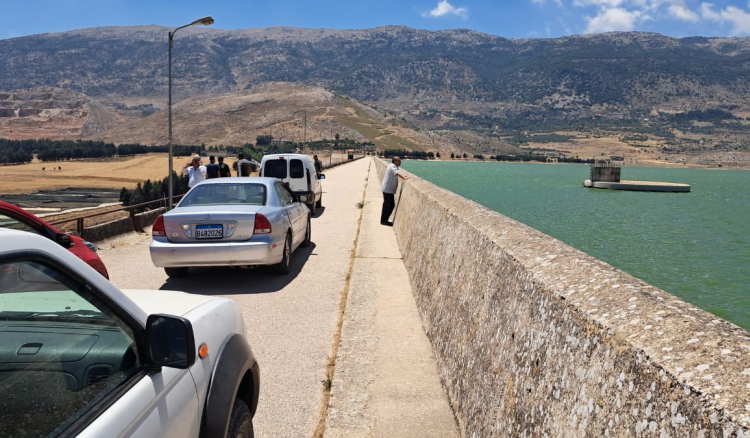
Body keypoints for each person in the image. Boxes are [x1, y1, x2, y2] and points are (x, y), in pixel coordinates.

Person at [380, 156, 408, 226]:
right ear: (395, 161)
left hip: (389, 190)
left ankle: (384, 220)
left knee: (390, 205)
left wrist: (404, 176)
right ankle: (383, 221)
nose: (400, 162)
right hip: (387, 190)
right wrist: (404, 177)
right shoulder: (392, 166)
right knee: (387, 205)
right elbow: (397, 173)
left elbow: (397, 172)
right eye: (399, 161)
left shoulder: (393, 166)